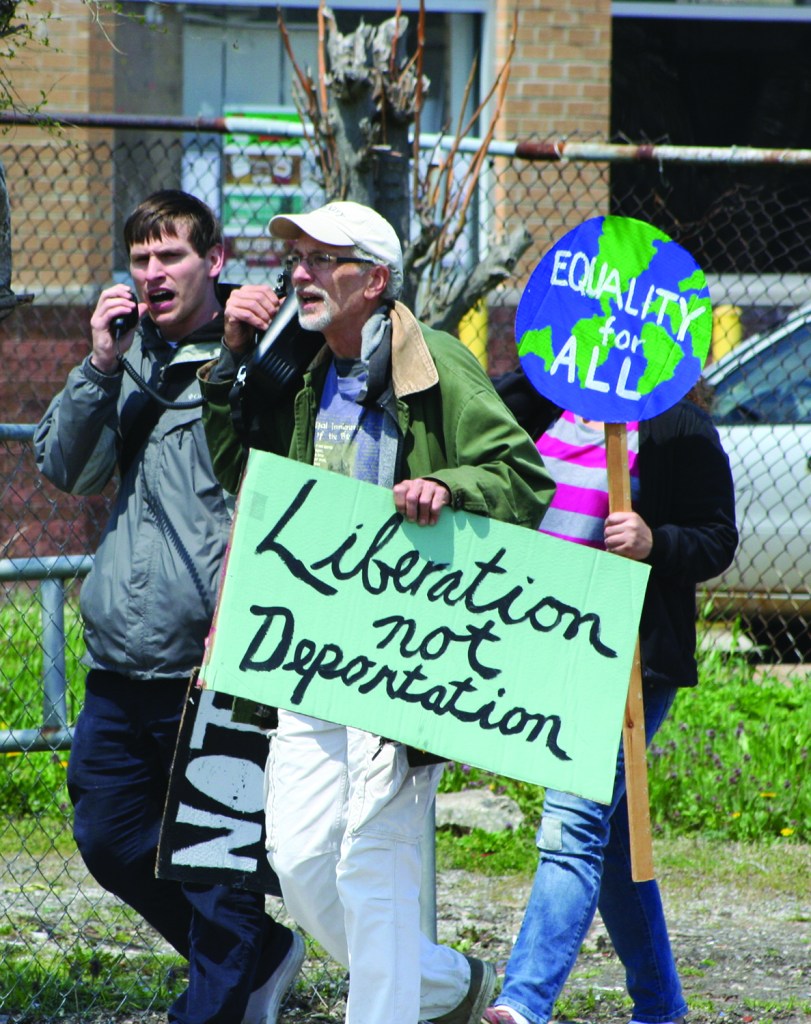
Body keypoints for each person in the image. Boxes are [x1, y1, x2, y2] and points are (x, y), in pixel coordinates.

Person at [198, 200, 556, 1024]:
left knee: (374, 862)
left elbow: (521, 475)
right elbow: (246, 485)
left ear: (376, 280)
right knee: (296, 858)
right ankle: (442, 985)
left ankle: (395, 1005)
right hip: (310, 651)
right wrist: (229, 366)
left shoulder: (431, 362)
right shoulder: (301, 365)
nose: (301, 273)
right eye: (299, 259)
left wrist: (449, 489)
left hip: (401, 652)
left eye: (326, 260)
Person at [34, 190, 304, 1024]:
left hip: (212, 662)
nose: (153, 274)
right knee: (111, 838)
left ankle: (223, 991)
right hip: (121, 663)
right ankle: (256, 959)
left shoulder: (262, 350)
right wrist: (100, 367)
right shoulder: (129, 358)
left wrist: (247, 357)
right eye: (141, 259)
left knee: (220, 871)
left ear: (213, 263)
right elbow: (61, 469)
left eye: (171, 257)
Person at [481, 369, 739, 1024]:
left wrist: (655, 541)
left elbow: (716, 536)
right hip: (542, 647)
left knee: (571, 825)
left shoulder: (676, 426)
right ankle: (660, 1007)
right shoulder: (537, 404)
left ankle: (523, 1002)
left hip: (628, 658)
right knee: (616, 842)